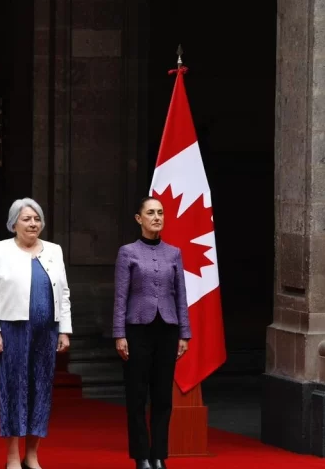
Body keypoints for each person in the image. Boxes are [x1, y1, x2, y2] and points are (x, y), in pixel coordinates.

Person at [0, 198, 72, 469]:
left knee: (41, 390)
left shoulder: (54, 250)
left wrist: (64, 330)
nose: (33, 224)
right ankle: (11, 457)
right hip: (12, 330)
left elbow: (64, 293)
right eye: (26, 219)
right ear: (13, 223)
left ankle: (31, 455)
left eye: (36, 219)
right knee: (14, 389)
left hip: (47, 331)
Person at [112, 196, 191, 469]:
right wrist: (119, 334)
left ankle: (159, 455)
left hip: (167, 330)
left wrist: (185, 334)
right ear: (139, 218)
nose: (156, 217)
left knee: (162, 397)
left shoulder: (174, 253)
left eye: (160, 213)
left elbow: (181, 294)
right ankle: (141, 455)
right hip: (137, 330)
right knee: (136, 395)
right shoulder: (127, 252)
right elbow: (121, 296)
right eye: (150, 213)